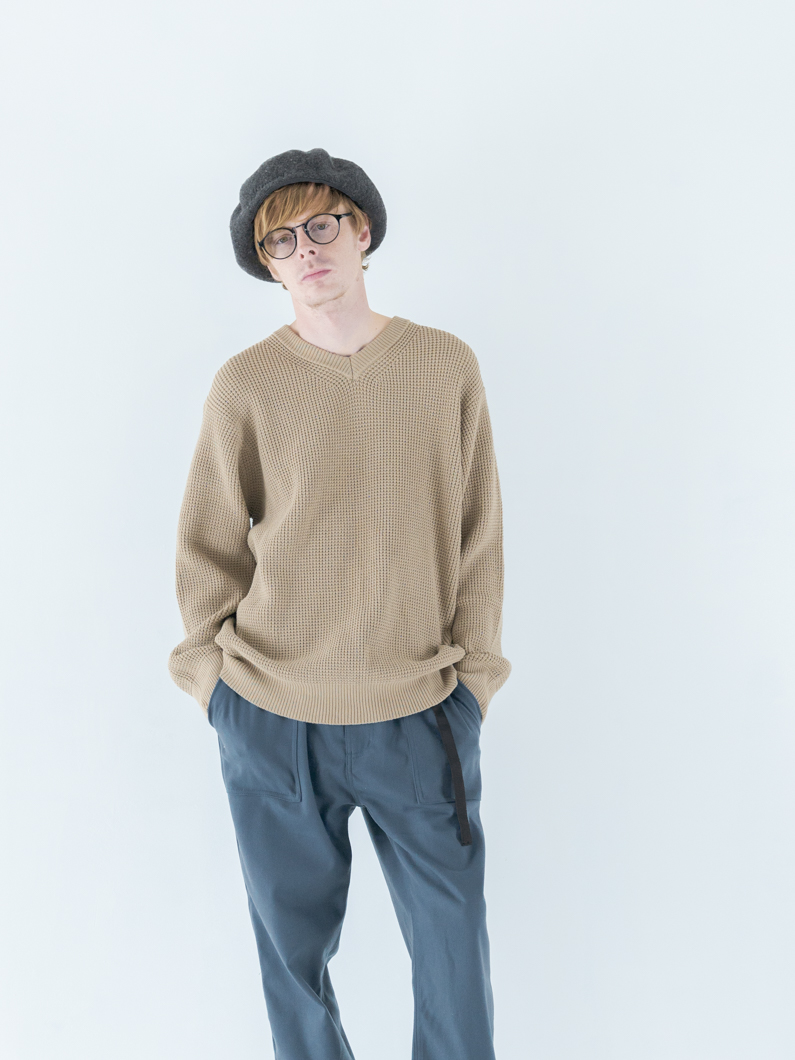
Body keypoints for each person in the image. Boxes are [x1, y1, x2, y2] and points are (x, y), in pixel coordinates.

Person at [168, 147, 511, 1060]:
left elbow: (478, 535)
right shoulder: (246, 384)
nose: (306, 251)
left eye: (321, 226)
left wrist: (474, 682)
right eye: (280, 242)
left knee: (452, 955)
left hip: (421, 711)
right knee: (293, 966)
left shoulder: (443, 366)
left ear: (361, 232)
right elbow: (207, 543)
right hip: (273, 716)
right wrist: (214, 685)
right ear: (267, 265)